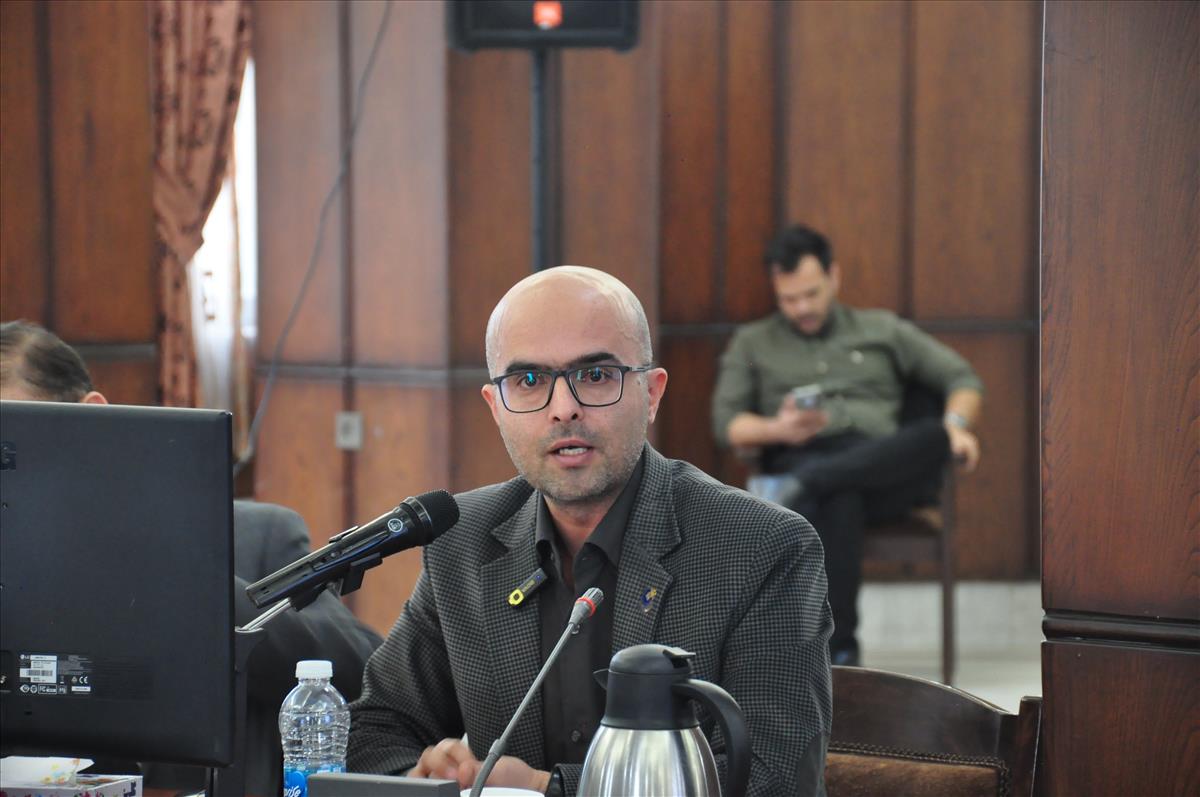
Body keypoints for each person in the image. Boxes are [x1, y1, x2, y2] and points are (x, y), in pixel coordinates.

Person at [348, 266, 833, 796]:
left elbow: (772, 776)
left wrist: (547, 789)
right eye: (529, 381)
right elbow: (373, 731)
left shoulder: (762, 547)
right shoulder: (462, 542)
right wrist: (424, 779)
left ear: (652, 393)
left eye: (596, 375)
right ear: (496, 407)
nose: (564, 409)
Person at [0, 319, 383, 797]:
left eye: (10, 447)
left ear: (90, 416)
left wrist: (184, 570)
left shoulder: (257, 538)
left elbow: (363, 670)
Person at [711, 225, 984, 667]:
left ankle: (808, 486)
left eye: (811, 294)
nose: (802, 308)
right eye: (789, 299)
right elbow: (728, 424)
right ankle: (841, 651)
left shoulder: (882, 329)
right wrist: (779, 428)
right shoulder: (754, 342)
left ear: (834, 277)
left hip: (883, 470)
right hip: (807, 453)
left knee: (933, 436)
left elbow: (961, 377)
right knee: (841, 496)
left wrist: (955, 426)